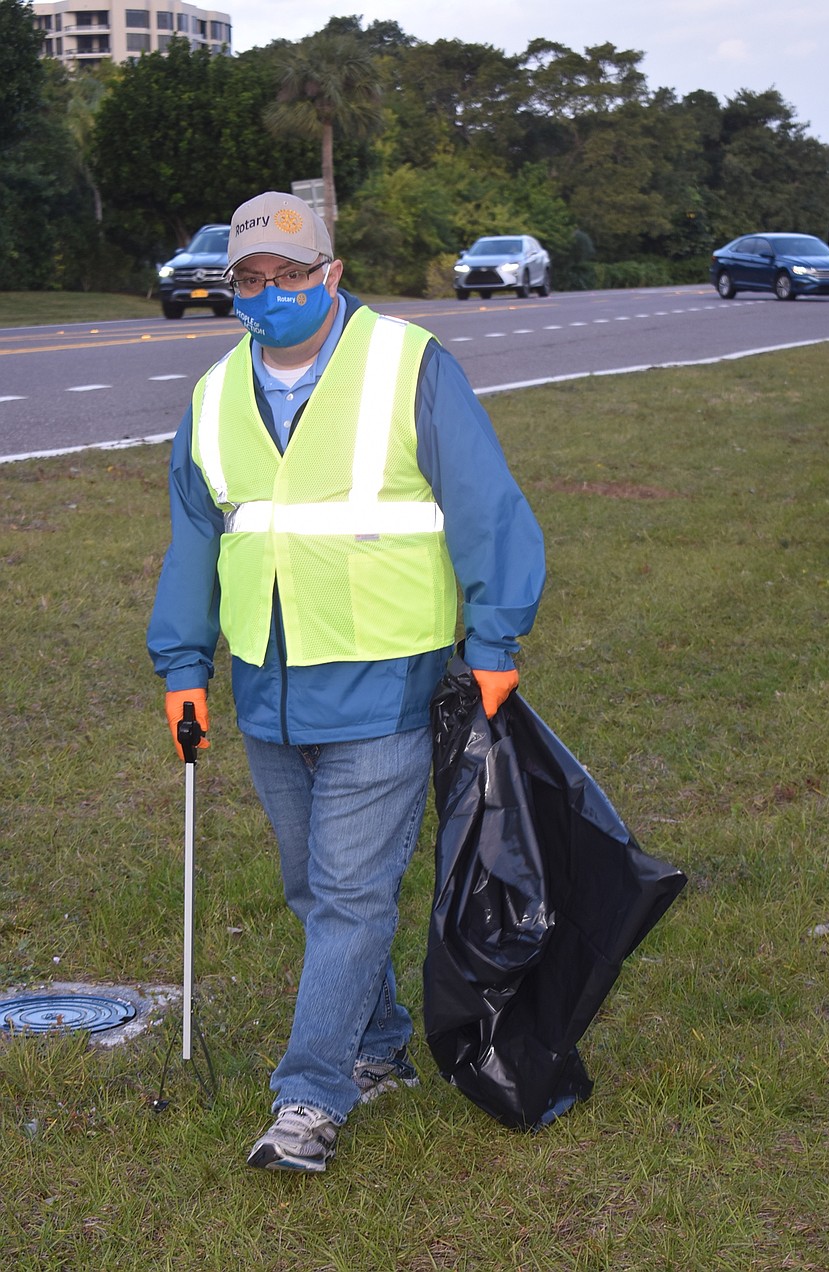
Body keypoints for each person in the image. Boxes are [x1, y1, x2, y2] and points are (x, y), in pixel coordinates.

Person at [147, 191, 546, 1173]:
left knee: (351, 894)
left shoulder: (407, 365)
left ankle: (308, 1097)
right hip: (267, 684)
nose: (271, 291)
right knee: (310, 888)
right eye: (252, 277)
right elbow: (201, 537)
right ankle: (375, 1050)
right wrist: (183, 665)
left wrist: (495, 640)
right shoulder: (212, 396)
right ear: (230, 284)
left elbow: (486, 504)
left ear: (329, 273)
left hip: (383, 671)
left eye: (291, 273)